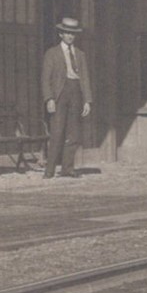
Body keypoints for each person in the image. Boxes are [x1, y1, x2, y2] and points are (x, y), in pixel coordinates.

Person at [40, 16, 92, 179]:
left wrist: (87, 100)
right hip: (59, 94)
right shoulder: (52, 53)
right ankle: (49, 170)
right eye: (67, 33)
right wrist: (49, 99)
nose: (70, 36)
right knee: (57, 131)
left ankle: (67, 168)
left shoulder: (80, 54)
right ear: (61, 34)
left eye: (73, 33)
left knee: (73, 133)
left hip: (76, 92)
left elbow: (84, 78)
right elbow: (45, 78)